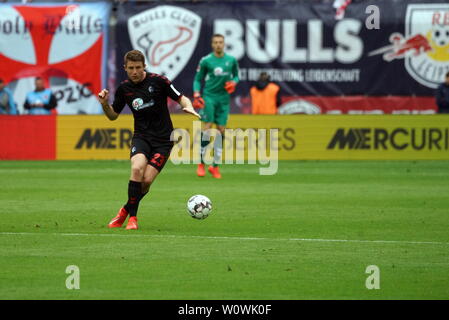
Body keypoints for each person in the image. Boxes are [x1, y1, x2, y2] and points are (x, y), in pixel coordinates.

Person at [98, 49, 200, 230]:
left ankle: (124, 211)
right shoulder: (124, 89)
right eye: (131, 68)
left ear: (144, 66)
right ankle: (133, 219)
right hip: (141, 138)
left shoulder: (159, 81)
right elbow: (113, 116)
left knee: (145, 183)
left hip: (163, 141)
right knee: (136, 169)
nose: (135, 71)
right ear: (125, 68)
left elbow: (181, 98)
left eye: (138, 67)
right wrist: (105, 104)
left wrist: (189, 107)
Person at [193, 34, 239, 179]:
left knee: (221, 130)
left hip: (224, 99)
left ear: (224, 44)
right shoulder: (206, 61)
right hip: (209, 97)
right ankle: (201, 164)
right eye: (216, 42)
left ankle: (215, 165)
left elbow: (237, 75)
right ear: (212, 45)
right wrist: (196, 94)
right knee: (207, 127)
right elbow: (197, 79)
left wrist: (234, 83)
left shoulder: (231, 60)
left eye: (221, 42)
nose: (218, 44)